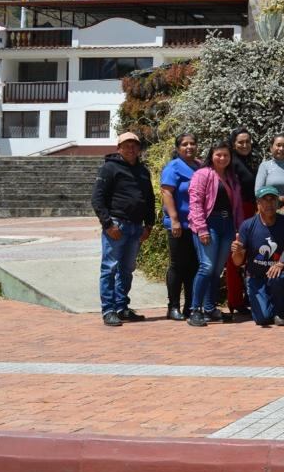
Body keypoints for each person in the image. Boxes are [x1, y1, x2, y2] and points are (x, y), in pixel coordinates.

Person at [92, 131, 155, 327]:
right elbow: (97, 199)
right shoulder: (109, 168)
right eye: (126, 145)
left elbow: (150, 199)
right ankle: (109, 310)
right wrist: (108, 224)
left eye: (134, 145)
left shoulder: (143, 171)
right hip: (117, 226)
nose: (131, 149)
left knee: (127, 270)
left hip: (136, 228)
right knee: (109, 269)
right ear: (119, 148)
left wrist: (149, 224)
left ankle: (121, 307)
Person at [187, 141, 243, 327]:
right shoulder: (202, 174)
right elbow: (195, 203)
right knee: (207, 267)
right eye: (218, 154)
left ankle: (210, 308)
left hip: (227, 225)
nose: (222, 158)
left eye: (226, 155)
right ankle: (195, 310)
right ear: (211, 155)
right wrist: (201, 228)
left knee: (217, 270)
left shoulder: (231, 177)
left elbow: (237, 206)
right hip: (208, 224)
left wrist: (238, 229)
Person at [229, 185, 284, 327]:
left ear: (277, 203)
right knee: (262, 319)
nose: (269, 203)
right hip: (255, 276)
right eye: (265, 200)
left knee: (278, 277)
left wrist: (281, 263)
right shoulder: (247, 226)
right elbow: (237, 262)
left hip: (277, 273)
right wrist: (237, 251)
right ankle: (270, 305)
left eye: (272, 199)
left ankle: (279, 311)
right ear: (258, 204)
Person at [159, 132, 200, 321]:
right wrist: (174, 219)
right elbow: (167, 193)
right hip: (178, 225)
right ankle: (173, 306)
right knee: (177, 266)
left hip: (196, 225)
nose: (189, 147)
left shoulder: (199, 166)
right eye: (185, 144)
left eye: (192, 143)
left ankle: (189, 306)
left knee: (193, 266)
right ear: (178, 148)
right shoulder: (173, 167)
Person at [225, 128, 259, 317]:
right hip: (238, 212)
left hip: (252, 211)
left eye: (247, 141)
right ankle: (235, 301)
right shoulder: (232, 164)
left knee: (247, 257)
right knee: (234, 257)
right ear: (233, 144)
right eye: (240, 142)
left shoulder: (248, 162)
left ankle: (247, 298)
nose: (245, 145)